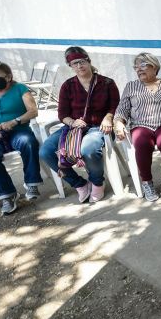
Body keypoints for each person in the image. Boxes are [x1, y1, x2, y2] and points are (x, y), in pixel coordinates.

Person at [38, 47, 120, 203]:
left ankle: (97, 182)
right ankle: (79, 184)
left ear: (88, 61)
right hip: (73, 128)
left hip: (99, 127)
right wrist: (73, 122)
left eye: (82, 62)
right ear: (70, 66)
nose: (79, 66)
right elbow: (62, 114)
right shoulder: (68, 86)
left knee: (88, 149)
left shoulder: (107, 83)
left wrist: (109, 117)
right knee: (45, 151)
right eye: (74, 64)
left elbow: (116, 106)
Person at [114, 53, 161, 202]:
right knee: (141, 143)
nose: (138, 69)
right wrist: (119, 122)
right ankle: (147, 182)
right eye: (136, 66)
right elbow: (122, 109)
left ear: (154, 66)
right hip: (141, 125)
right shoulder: (131, 86)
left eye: (142, 65)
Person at [0, 60, 43, 215]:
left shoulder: (20, 89)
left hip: (18, 130)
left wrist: (14, 121)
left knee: (28, 142)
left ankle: (31, 183)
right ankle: (8, 195)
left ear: (8, 76)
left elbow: (33, 111)